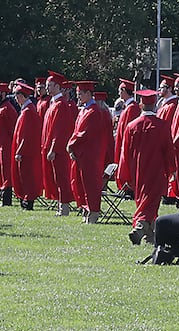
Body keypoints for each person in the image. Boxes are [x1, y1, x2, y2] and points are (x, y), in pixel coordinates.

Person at [123, 89, 176, 244]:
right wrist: (171, 169)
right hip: (157, 170)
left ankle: (150, 235)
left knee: (143, 200)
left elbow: (125, 152)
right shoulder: (162, 125)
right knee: (152, 201)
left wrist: (125, 174)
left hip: (138, 170)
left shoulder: (132, 126)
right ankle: (140, 227)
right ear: (154, 105)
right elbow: (168, 150)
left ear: (140, 105)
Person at [66, 81, 110, 224]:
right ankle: (85, 209)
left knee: (90, 183)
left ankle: (93, 212)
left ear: (88, 94)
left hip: (90, 154)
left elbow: (84, 133)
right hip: (81, 153)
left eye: (80, 93)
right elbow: (76, 131)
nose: (77, 96)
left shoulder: (94, 112)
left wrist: (71, 144)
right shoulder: (84, 110)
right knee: (80, 183)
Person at [40, 72, 76, 215]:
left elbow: (59, 130)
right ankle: (60, 205)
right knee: (55, 178)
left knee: (61, 178)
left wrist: (53, 148)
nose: (47, 88)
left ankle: (64, 207)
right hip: (50, 147)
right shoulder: (53, 104)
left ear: (58, 86)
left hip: (58, 150)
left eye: (50, 85)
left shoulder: (61, 105)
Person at [11, 81, 44, 210]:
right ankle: (25, 199)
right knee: (24, 176)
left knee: (27, 176)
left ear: (22, 96)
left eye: (16, 95)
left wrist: (20, 150)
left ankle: (28, 201)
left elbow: (26, 134)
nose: (15, 98)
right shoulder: (26, 110)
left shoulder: (28, 111)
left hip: (27, 152)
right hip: (26, 150)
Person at [0, 82, 20, 206]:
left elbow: (13, 129)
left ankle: (7, 200)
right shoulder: (0, 108)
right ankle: (3, 195)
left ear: (3, 94)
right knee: (1, 171)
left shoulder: (8, 109)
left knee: (6, 172)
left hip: (6, 146)